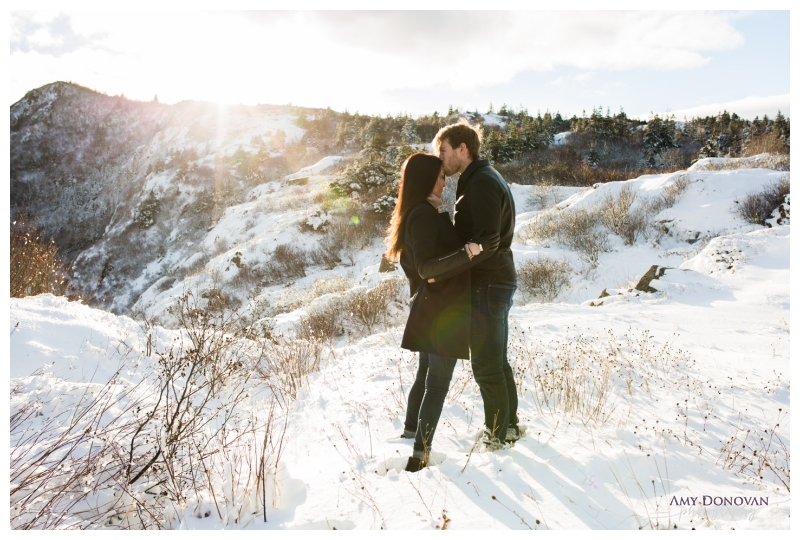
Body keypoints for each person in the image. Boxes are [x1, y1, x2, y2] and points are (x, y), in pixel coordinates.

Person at [385, 152, 498, 472]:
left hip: (432, 306)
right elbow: (426, 268)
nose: (445, 181)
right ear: (425, 181)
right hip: (441, 309)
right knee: (437, 383)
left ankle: (411, 432)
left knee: (426, 375)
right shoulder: (421, 214)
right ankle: (419, 457)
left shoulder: (423, 212)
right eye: (440, 177)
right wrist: (468, 252)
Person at [432, 119, 520, 450]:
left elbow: (488, 240)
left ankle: (497, 435)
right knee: (496, 360)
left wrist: (449, 267)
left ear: (462, 148)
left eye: (443, 151)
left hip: (488, 282)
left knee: (485, 365)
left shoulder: (480, 182)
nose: (441, 158)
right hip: (496, 279)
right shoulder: (484, 177)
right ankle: (508, 428)